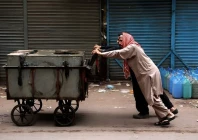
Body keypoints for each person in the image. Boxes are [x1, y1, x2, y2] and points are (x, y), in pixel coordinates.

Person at [92, 32, 176, 125]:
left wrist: (100, 53)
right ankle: (163, 117)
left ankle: (168, 114)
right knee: (153, 96)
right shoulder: (132, 47)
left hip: (148, 74)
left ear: (126, 39)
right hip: (148, 73)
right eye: (118, 40)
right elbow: (117, 50)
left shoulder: (132, 47)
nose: (119, 42)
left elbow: (117, 53)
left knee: (151, 97)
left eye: (121, 40)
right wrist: (102, 49)